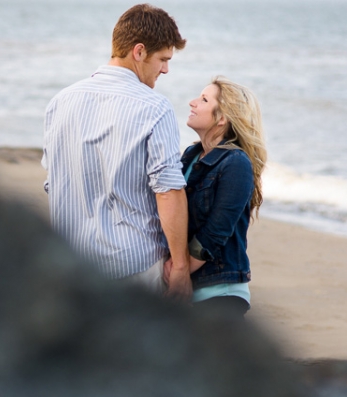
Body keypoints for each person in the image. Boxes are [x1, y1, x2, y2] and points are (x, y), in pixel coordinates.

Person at [42, 4, 191, 300]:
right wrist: (181, 265)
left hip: (71, 267)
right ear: (138, 52)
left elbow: (53, 182)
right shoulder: (154, 107)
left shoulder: (59, 102)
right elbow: (168, 191)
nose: (165, 69)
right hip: (133, 267)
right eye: (162, 59)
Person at [168, 77, 267, 317]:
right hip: (187, 288)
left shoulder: (236, 163)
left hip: (220, 293)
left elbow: (215, 232)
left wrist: (180, 272)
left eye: (203, 99)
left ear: (222, 118)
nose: (192, 103)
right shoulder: (192, 154)